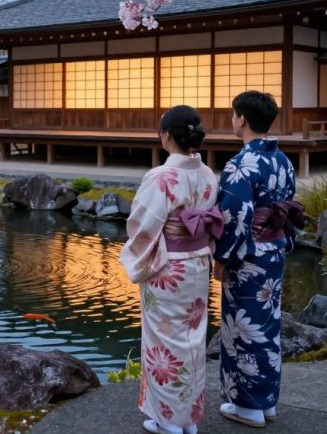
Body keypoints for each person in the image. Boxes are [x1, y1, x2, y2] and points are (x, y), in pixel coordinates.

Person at [121, 105, 222, 434]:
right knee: (192, 341)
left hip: (167, 269)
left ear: (165, 136)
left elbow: (142, 225)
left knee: (164, 344)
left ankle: (167, 420)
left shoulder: (161, 177)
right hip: (197, 263)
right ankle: (188, 418)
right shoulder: (207, 174)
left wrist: (137, 257)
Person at [213, 91, 304, 428]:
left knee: (243, 327)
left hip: (247, 256)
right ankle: (266, 403)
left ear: (241, 119)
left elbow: (234, 216)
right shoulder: (283, 160)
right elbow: (288, 204)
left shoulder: (241, 163)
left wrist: (221, 258)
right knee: (266, 325)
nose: (231, 119)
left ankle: (247, 406)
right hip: (274, 250)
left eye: (233, 114)